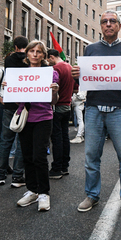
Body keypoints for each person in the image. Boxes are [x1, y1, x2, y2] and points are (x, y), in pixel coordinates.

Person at [72, 10, 121, 216]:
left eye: (112, 21)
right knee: (92, 156)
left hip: (120, 109)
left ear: (118, 26)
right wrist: (77, 76)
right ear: (100, 26)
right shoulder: (90, 49)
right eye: (104, 22)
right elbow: (85, 81)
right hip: (93, 109)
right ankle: (92, 195)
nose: (108, 24)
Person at [15, 40, 59, 212]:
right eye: (32, 51)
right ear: (27, 54)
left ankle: (44, 193)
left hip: (43, 118)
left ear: (44, 56)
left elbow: (53, 102)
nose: (35, 54)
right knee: (26, 155)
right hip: (25, 118)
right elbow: (17, 100)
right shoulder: (19, 73)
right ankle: (32, 190)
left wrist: (54, 91)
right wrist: (10, 89)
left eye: (39, 52)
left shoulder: (51, 73)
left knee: (39, 156)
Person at [0, 36, 28, 188]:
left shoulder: (9, 59)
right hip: (24, 105)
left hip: (9, 103)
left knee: (5, 141)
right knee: (21, 142)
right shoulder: (28, 60)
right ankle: (18, 177)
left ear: (15, 46)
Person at [47, 49, 74, 179]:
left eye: (48, 60)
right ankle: (64, 166)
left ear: (52, 57)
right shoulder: (69, 67)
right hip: (67, 105)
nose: (48, 62)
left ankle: (56, 168)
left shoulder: (56, 69)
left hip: (57, 106)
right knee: (64, 137)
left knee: (56, 139)